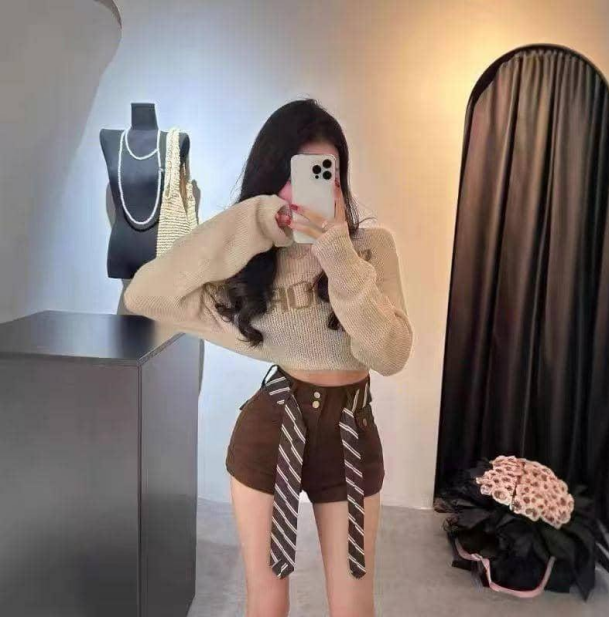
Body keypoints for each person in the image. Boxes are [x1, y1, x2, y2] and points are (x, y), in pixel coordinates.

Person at [124, 98, 413, 617]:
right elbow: (145, 294)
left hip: (351, 431)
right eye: (297, 174)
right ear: (271, 178)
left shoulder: (372, 249)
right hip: (273, 424)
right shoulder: (251, 262)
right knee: (266, 599)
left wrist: (337, 253)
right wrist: (257, 221)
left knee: (354, 605)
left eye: (325, 173)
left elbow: (390, 354)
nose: (312, 189)